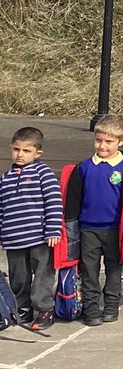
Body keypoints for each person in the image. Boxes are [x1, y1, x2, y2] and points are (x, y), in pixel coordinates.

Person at [58, 115, 123, 327]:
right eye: (99, 140)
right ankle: (91, 308)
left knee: (114, 270)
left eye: (109, 142)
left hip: (116, 229)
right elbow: (72, 203)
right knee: (89, 271)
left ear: (121, 141)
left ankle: (111, 306)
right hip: (88, 229)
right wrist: (70, 231)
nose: (102, 146)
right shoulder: (83, 168)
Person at [1, 127, 62, 331]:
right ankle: (23, 306)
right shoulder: (6, 178)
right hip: (14, 238)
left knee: (43, 274)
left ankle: (44, 308)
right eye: (16, 149)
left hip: (39, 237)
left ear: (38, 153)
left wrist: (53, 229)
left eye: (26, 151)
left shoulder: (42, 173)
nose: (20, 154)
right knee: (19, 276)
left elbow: (53, 201)